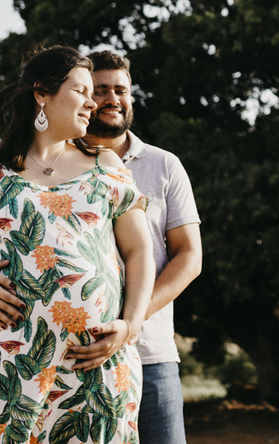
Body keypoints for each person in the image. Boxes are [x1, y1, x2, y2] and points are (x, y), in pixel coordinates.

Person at [0, 46, 154, 444]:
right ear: (42, 94)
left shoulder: (107, 166)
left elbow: (140, 252)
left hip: (94, 369)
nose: (93, 101)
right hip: (10, 363)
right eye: (81, 90)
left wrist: (130, 327)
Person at [65, 50, 202, 444]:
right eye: (101, 90)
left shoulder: (163, 165)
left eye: (121, 90)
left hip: (150, 354)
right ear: (84, 98)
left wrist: (131, 321)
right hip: (73, 357)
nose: (112, 99)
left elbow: (189, 256)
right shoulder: (51, 164)